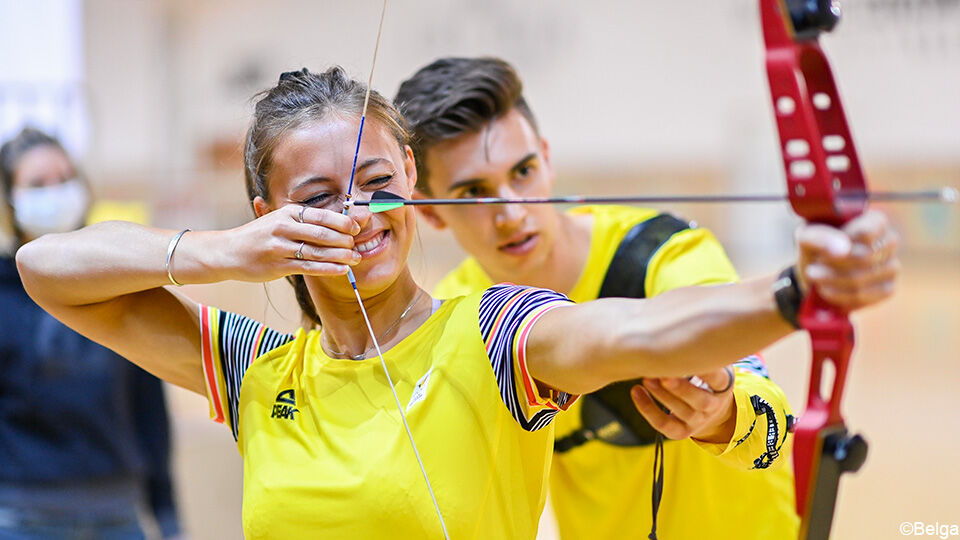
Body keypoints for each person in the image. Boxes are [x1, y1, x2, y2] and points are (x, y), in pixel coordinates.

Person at [15, 67, 898, 540]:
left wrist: (801, 290)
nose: (356, 214)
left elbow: (639, 328)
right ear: (267, 215)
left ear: (413, 197)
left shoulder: (494, 330)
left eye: (375, 183)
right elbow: (46, 268)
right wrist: (220, 253)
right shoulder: (254, 369)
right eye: (317, 195)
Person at [392, 57, 801, 539]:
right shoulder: (457, 309)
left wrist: (723, 412)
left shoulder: (666, 254)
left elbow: (770, 426)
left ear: (546, 159)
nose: (511, 211)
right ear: (434, 214)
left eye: (522, 172)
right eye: (474, 191)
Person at [0, 127, 181, 539]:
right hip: (20, 517)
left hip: (118, 514)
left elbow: (148, 406)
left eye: (64, 180)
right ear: (10, 199)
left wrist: (168, 515)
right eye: (37, 184)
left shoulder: (119, 281)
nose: (55, 192)